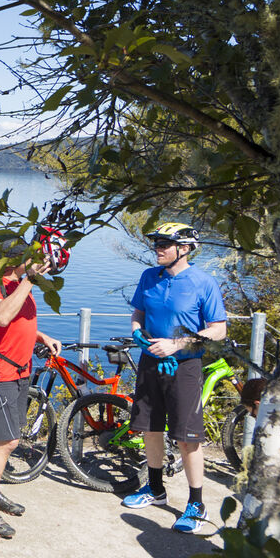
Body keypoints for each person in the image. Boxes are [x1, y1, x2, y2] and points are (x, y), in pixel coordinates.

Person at [120, 223, 227, 533]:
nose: (158, 248)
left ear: (185, 248)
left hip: (185, 367)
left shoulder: (202, 282)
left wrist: (177, 344)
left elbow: (218, 329)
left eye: (164, 244)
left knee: (186, 437)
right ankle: (154, 489)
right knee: (150, 429)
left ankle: (196, 504)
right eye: (156, 243)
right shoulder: (148, 277)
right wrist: (137, 331)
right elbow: (138, 312)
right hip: (150, 362)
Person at [0, 238, 62, 538]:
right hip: (0, 371)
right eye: (30, 257)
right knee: (7, 441)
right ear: (14, 260)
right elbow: (0, 315)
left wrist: (41, 336)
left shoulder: (19, 284)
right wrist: (29, 280)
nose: (36, 260)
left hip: (20, 368)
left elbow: (18, 323)